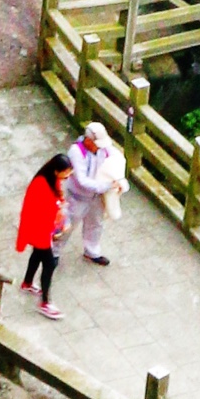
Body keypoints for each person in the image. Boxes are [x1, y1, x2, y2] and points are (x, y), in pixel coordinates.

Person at [16, 151, 73, 317]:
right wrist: (55, 228)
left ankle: (27, 282)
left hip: (40, 229)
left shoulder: (46, 180)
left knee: (37, 255)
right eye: (66, 173)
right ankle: (45, 302)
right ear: (57, 171)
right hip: (40, 230)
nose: (67, 176)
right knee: (49, 264)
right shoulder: (42, 185)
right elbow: (43, 212)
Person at [64, 119, 127, 264]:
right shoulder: (76, 152)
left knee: (95, 224)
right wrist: (106, 185)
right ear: (87, 140)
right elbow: (82, 180)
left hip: (96, 196)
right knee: (68, 224)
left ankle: (92, 251)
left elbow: (116, 156)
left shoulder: (103, 150)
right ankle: (54, 250)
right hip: (78, 196)